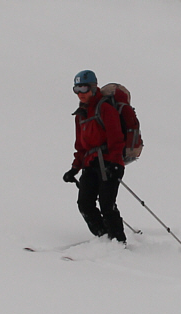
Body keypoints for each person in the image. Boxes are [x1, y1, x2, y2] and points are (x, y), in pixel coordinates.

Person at [63, 69, 127, 244]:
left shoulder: (105, 109)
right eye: (76, 89)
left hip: (109, 163)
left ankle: (118, 242)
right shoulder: (81, 115)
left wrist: (115, 163)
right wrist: (74, 168)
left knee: (107, 205)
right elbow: (81, 146)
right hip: (90, 165)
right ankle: (104, 238)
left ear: (92, 87)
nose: (80, 93)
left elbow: (116, 138)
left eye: (83, 88)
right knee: (85, 204)